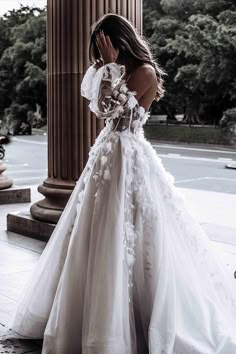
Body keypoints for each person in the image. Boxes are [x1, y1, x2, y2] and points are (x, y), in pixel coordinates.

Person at [10, 14, 236, 354]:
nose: (101, 54)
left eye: (105, 45)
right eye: (98, 49)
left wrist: (112, 68)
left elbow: (112, 111)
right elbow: (101, 109)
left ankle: (131, 321)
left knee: (130, 229)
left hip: (127, 155)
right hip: (105, 154)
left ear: (119, 41)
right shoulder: (115, 70)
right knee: (94, 230)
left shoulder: (143, 72)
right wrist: (109, 68)